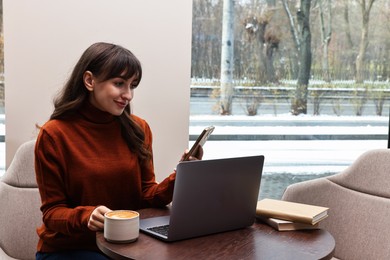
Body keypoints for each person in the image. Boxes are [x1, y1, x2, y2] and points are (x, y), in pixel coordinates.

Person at [34, 42, 202, 259]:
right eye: (119, 83)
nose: (128, 95)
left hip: (127, 245)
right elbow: (52, 213)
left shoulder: (139, 129)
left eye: (132, 85)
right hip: (70, 248)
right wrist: (87, 216)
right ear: (89, 80)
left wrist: (182, 176)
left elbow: (147, 194)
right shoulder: (54, 134)